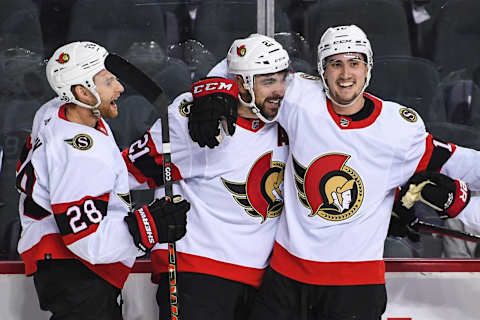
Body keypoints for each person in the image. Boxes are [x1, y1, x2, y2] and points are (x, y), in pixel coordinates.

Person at [190, 25, 480, 319]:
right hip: (286, 281)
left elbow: (461, 162)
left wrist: (463, 202)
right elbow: (242, 61)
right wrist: (214, 91)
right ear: (321, 70)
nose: (345, 75)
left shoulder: (399, 130)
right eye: (335, 64)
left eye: (355, 63)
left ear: (368, 68)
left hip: (355, 288)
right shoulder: (299, 98)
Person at [15, 41, 190, 320]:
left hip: (64, 266)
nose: (120, 88)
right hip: (78, 270)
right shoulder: (79, 154)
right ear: (82, 91)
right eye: (108, 81)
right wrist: (149, 226)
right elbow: (85, 240)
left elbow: (105, 175)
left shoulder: (57, 110)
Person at [121, 34, 290, 320]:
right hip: (198, 275)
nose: (280, 90)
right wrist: (125, 225)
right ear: (242, 85)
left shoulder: (288, 119)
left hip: (262, 282)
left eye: (282, 78)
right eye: (268, 82)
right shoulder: (197, 123)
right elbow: (123, 174)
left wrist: (211, 85)